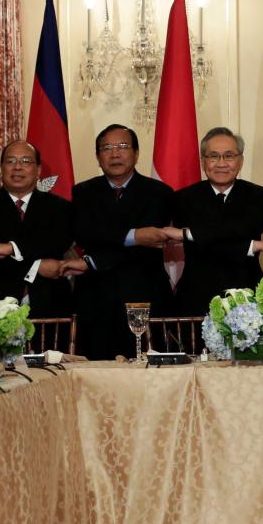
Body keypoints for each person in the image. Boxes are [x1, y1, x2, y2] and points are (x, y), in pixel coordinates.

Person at [70, 124, 176, 359]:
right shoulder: (83, 192)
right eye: (106, 148)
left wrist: (94, 260)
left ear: (136, 153)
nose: (115, 154)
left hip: (144, 294)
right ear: (98, 157)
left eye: (122, 147)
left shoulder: (160, 192)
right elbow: (85, 234)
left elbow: (151, 245)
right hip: (96, 298)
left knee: (148, 374)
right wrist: (136, 236)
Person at [0, 140, 80, 321]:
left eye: (26, 161)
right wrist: (35, 266)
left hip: (50, 307)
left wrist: (11, 248)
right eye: (11, 161)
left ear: (38, 170)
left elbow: (57, 242)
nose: (17, 167)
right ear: (1, 168)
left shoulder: (61, 208)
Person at [170, 127, 263, 319]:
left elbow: (242, 230)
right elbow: (217, 241)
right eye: (213, 156)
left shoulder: (258, 195)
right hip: (196, 297)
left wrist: (187, 234)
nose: (221, 163)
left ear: (240, 161)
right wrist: (253, 246)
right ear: (203, 161)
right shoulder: (183, 198)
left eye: (229, 156)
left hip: (248, 295)